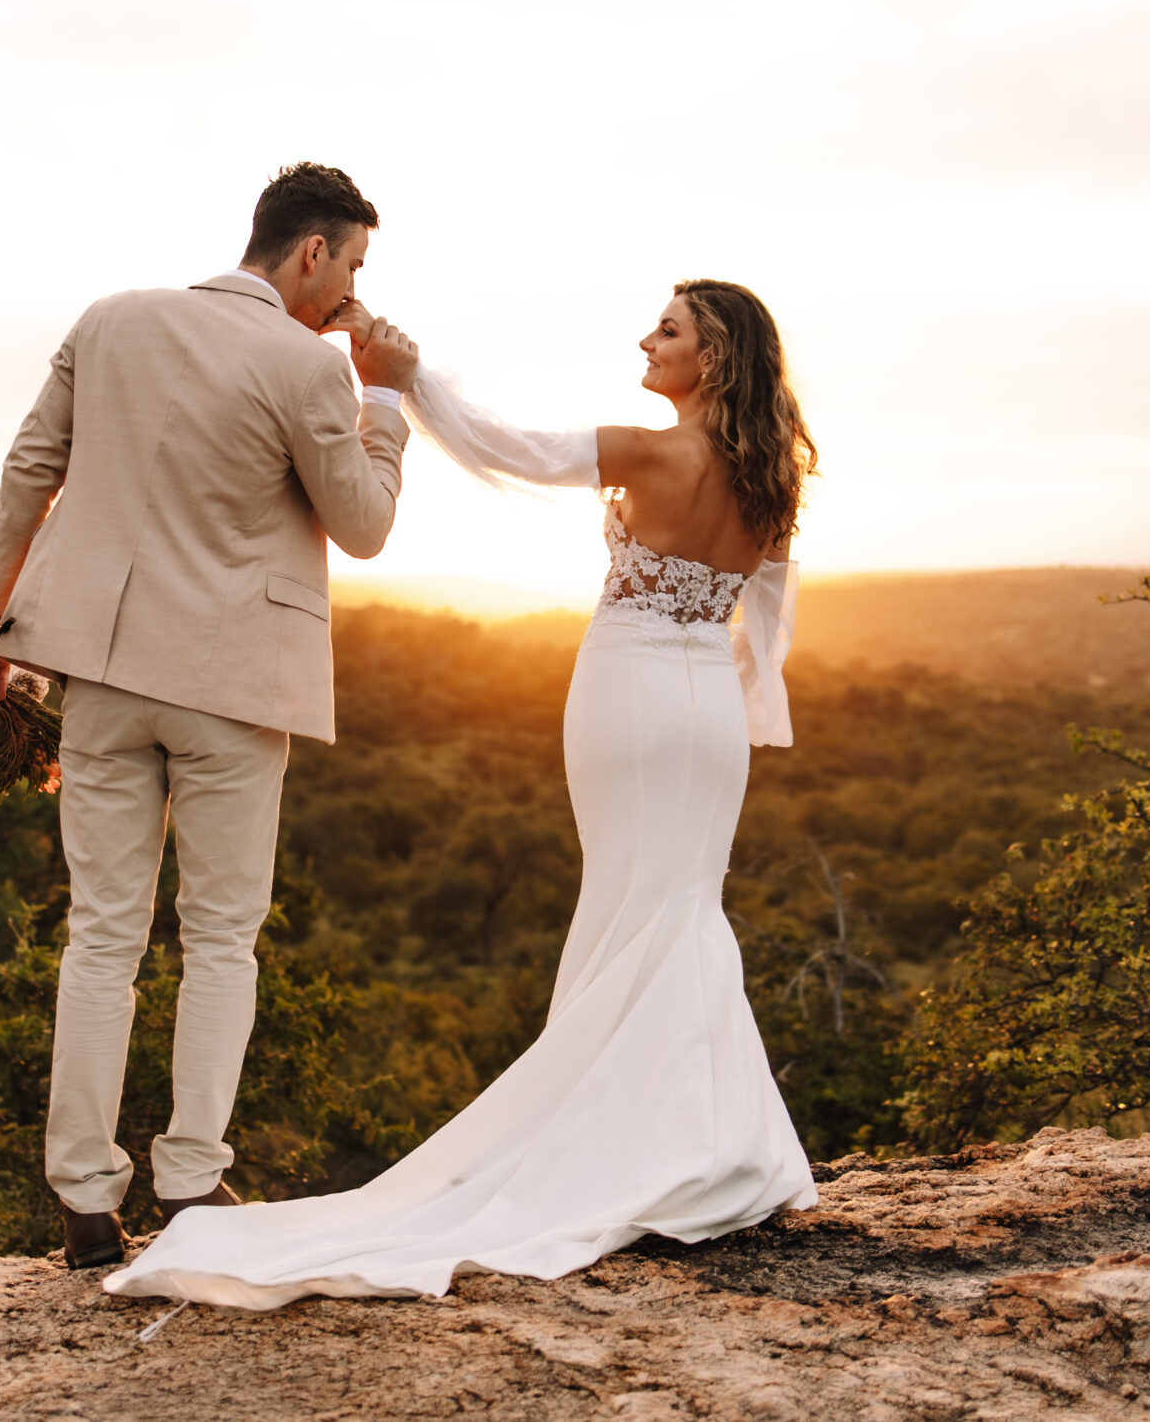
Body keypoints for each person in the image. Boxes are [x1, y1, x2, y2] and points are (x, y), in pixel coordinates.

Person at [106, 279, 819, 1308]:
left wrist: (405, 380)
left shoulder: (646, 450)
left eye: (666, 328)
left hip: (624, 692)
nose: (645, 339)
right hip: (708, 709)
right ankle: (713, 1144)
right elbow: (770, 616)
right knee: (679, 906)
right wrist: (749, 705)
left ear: (711, 357)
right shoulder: (769, 478)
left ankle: (615, 1141)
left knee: (625, 899)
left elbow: (506, 448)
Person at [0, 162, 421, 1270]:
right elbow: (360, 526)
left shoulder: (111, 320)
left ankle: (82, 1195)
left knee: (102, 934)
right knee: (221, 937)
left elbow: (31, 469)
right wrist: (386, 400)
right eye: (353, 265)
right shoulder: (308, 365)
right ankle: (190, 1180)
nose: (351, 291)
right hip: (230, 682)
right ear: (310, 252)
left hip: (105, 673)